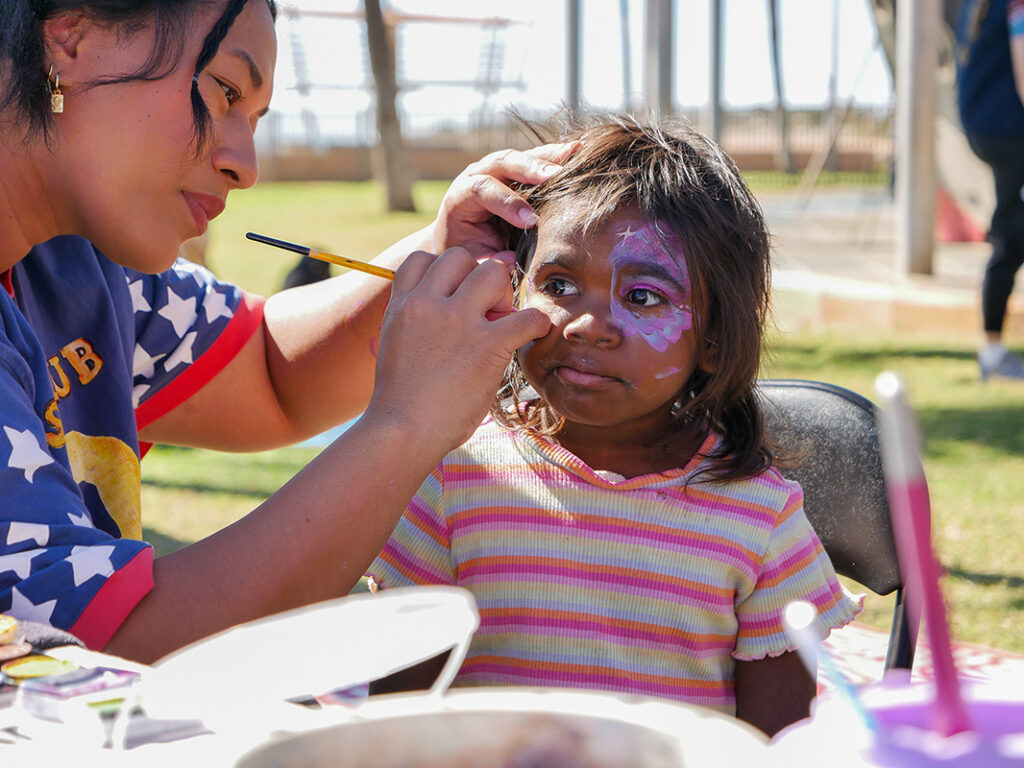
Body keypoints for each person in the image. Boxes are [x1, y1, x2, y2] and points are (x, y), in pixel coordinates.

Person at [0, 0, 571, 664]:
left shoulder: (70, 265)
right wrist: (406, 425)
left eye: (256, 117)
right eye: (226, 91)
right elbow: (102, 648)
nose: (246, 164)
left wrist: (441, 248)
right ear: (73, 38)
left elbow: (267, 370)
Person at [367, 117, 861, 738]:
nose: (585, 325)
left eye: (645, 297)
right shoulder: (452, 476)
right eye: (560, 284)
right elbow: (392, 724)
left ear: (713, 338)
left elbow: (780, 744)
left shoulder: (761, 519)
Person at [955, 0, 1024, 379]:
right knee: (1011, 239)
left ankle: (994, 352)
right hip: (1012, 134)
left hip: (992, 131)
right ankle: (994, 355)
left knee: (1012, 236)